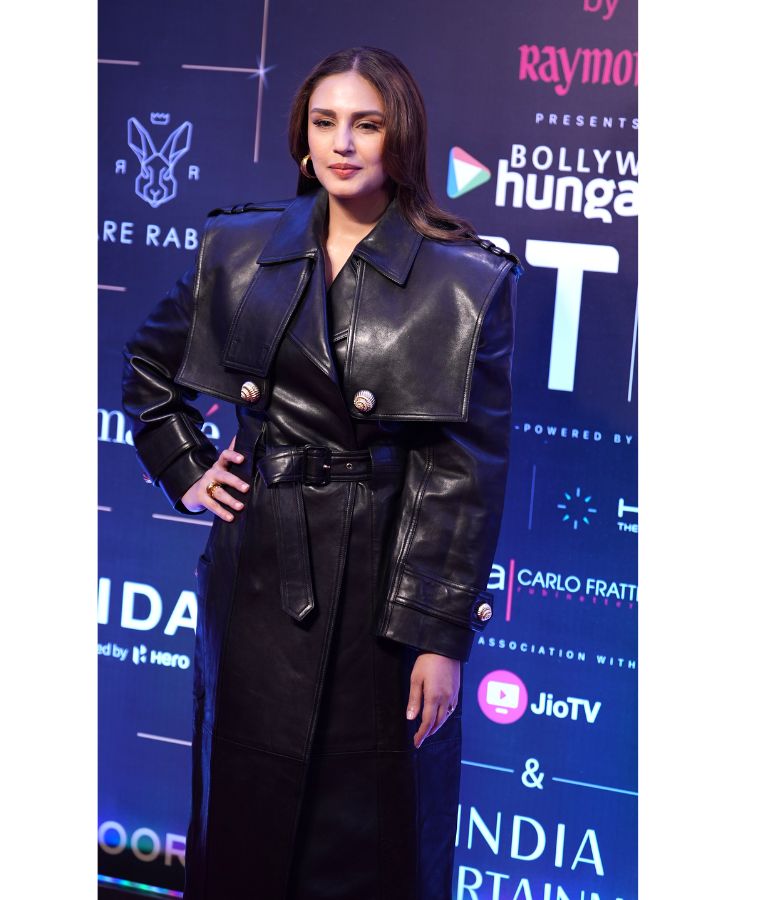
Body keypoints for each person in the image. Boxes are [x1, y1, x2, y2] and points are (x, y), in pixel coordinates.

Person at [121, 46, 520, 900]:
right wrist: (187, 466)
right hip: (257, 579)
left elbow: (464, 473)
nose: (342, 143)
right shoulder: (237, 248)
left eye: (365, 124)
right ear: (302, 137)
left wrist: (438, 637)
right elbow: (148, 370)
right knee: (245, 826)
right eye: (324, 122)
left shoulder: (465, 281)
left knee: (371, 842)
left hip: (385, 597)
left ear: (399, 136)